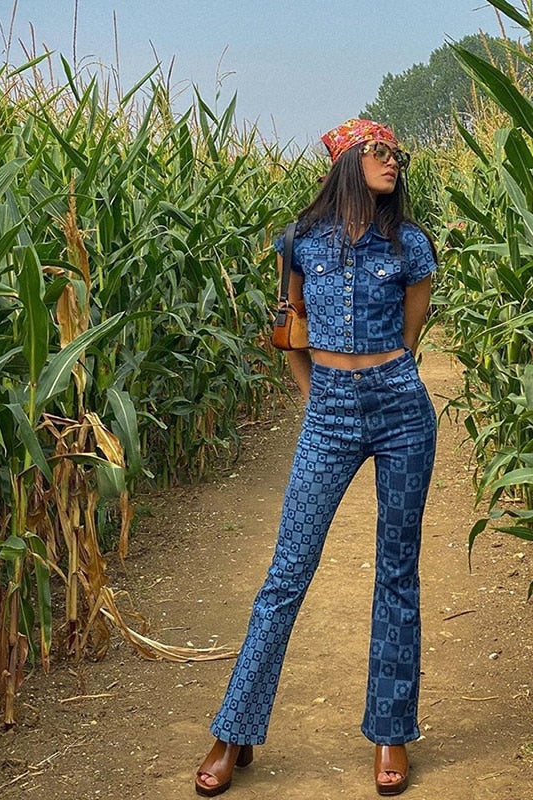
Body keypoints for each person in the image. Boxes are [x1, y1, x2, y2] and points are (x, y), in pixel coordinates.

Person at [195, 118, 438, 797]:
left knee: (397, 573)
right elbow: (288, 323)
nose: (394, 163)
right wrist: (316, 393)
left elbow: (412, 332)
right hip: (329, 411)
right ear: (346, 162)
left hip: (399, 409)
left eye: (398, 153)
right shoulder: (300, 241)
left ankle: (391, 733)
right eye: (381, 152)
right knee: (286, 573)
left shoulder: (410, 245)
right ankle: (232, 731)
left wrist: (383, 378)